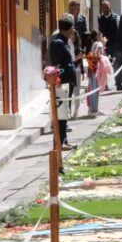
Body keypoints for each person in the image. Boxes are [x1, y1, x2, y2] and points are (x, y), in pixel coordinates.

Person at [48, 15, 77, 146]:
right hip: (62, 82)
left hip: (67, 81)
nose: (73, 31)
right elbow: (58, 65)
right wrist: (61, 78)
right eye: (71, 28)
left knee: (65, 112)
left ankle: (63, 140)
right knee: (61, 113)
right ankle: (59, 142)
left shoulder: (65, 41)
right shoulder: (58, 43)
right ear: (67, 29)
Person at [86, 38, 113, 116]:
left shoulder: (94, 56)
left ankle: (94, 109)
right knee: (94, 92)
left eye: (101, 49)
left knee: (95, 92)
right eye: (99, 49)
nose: (100, 50)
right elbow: (94, 65)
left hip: (95, 76)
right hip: (94, 76)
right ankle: (94, 110)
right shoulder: (93, 56)